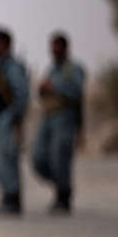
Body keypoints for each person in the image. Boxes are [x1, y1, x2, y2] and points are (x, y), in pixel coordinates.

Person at [32, 32, 85, 213]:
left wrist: (54, 86)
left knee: (60, 158)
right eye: (52, 46)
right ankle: (61, 186)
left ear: (65, 48)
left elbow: (77, 93)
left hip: (65, 118)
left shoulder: (74, 69)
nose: (54, 50)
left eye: (57, 46)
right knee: (38, 157)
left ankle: (63, 196)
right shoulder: (51, 69)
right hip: (48, 116)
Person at [0, 27, 29, 215]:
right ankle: (7, 197)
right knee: (1, 160)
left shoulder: (12, 67)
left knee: (8, 158)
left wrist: (16, 119)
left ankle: (13, 199)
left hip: (8, 118)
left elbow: (21, 95)